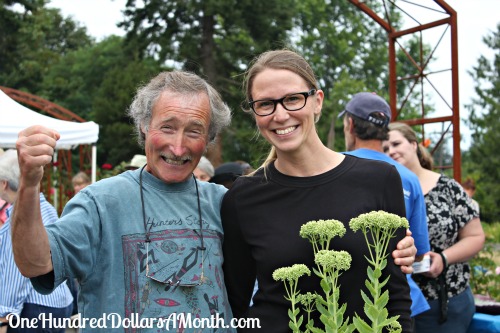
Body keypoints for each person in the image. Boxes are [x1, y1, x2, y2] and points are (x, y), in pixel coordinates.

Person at [11, 71, 235, 332]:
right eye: (167, 127)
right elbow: (34, 264)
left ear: (209, 138)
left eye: (194, 132)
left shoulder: (223, 204)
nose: (177, 147)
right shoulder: (101, 202)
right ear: (144, 124)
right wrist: (28, 183)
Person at [221, 49, 416, 332]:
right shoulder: (243, 197)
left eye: (292, 99)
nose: (280, 114)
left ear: (317, 101)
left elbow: (395, 297)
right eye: (265, 104)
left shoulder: (379, 178)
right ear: (254, 112)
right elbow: (235, 304)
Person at [383, 122, 485, 333]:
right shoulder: (381, 189)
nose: (391, 151)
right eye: (384, 148)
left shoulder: (448, 188)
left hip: (444, 301)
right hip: (394, 303)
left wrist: (444, 258)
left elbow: (475, 236)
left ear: (413, 144)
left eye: (396, 143)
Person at [340, 92, 431, 319]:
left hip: (343, 303)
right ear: (385, 130)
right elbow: (419, 253)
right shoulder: (409, 178)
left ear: (350, 125)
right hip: (399, 301)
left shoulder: (332, 168)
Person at [0, 149, 73, 332]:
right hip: (56, 303)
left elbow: (18, 270)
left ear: (3, 183)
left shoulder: (22, 217)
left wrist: (5, 315)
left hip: (35, 309)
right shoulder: (45, 207)